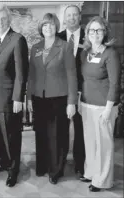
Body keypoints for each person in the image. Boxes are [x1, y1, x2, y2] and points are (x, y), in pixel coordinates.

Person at [27, 13, 78, 185]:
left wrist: (72, 102)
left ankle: (56, 170)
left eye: (51, 25)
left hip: (58, 98)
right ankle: (43, 165)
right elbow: (31, 75)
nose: (47, 28)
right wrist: (28, 98)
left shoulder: (64, 46)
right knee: (41, 133)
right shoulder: (35, 47)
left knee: (57, 135)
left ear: (56, 27)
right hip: (39, 98)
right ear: (41, 28)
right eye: (44, 25)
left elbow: (72, 75)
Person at [0, 5, 29, 188]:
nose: (0, 22)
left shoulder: (18, 39)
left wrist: (18, 98)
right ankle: (3, 161)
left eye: (3, 19)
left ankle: (13, 170)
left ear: (9, 20)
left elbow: (21, 72)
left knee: (11, 136)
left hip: (9, 98)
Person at [79, 16, 121, 192]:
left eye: (99, 30)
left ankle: (102, 180)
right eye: (91, 30)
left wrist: (108, 108)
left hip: (104, 107)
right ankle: (91, 172)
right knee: (90, 143)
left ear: (105, 32)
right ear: (87, 33)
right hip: (87, 105)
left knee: (103, 145)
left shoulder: (110, 53)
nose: (95, 34)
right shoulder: (85, 53)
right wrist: (80, 101)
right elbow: (84, 79)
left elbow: (115, 83)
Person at [57, 5, 86, 176]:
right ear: (64, 18)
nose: (72, 18)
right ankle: (59, 165)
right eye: (69, 15)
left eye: (75, 15)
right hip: (61, 92)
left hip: (84, 92)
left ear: (80, 17)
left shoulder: (89, 36)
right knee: (61, 130)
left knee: (81, 130)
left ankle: (80, 165)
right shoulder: (57, 37)